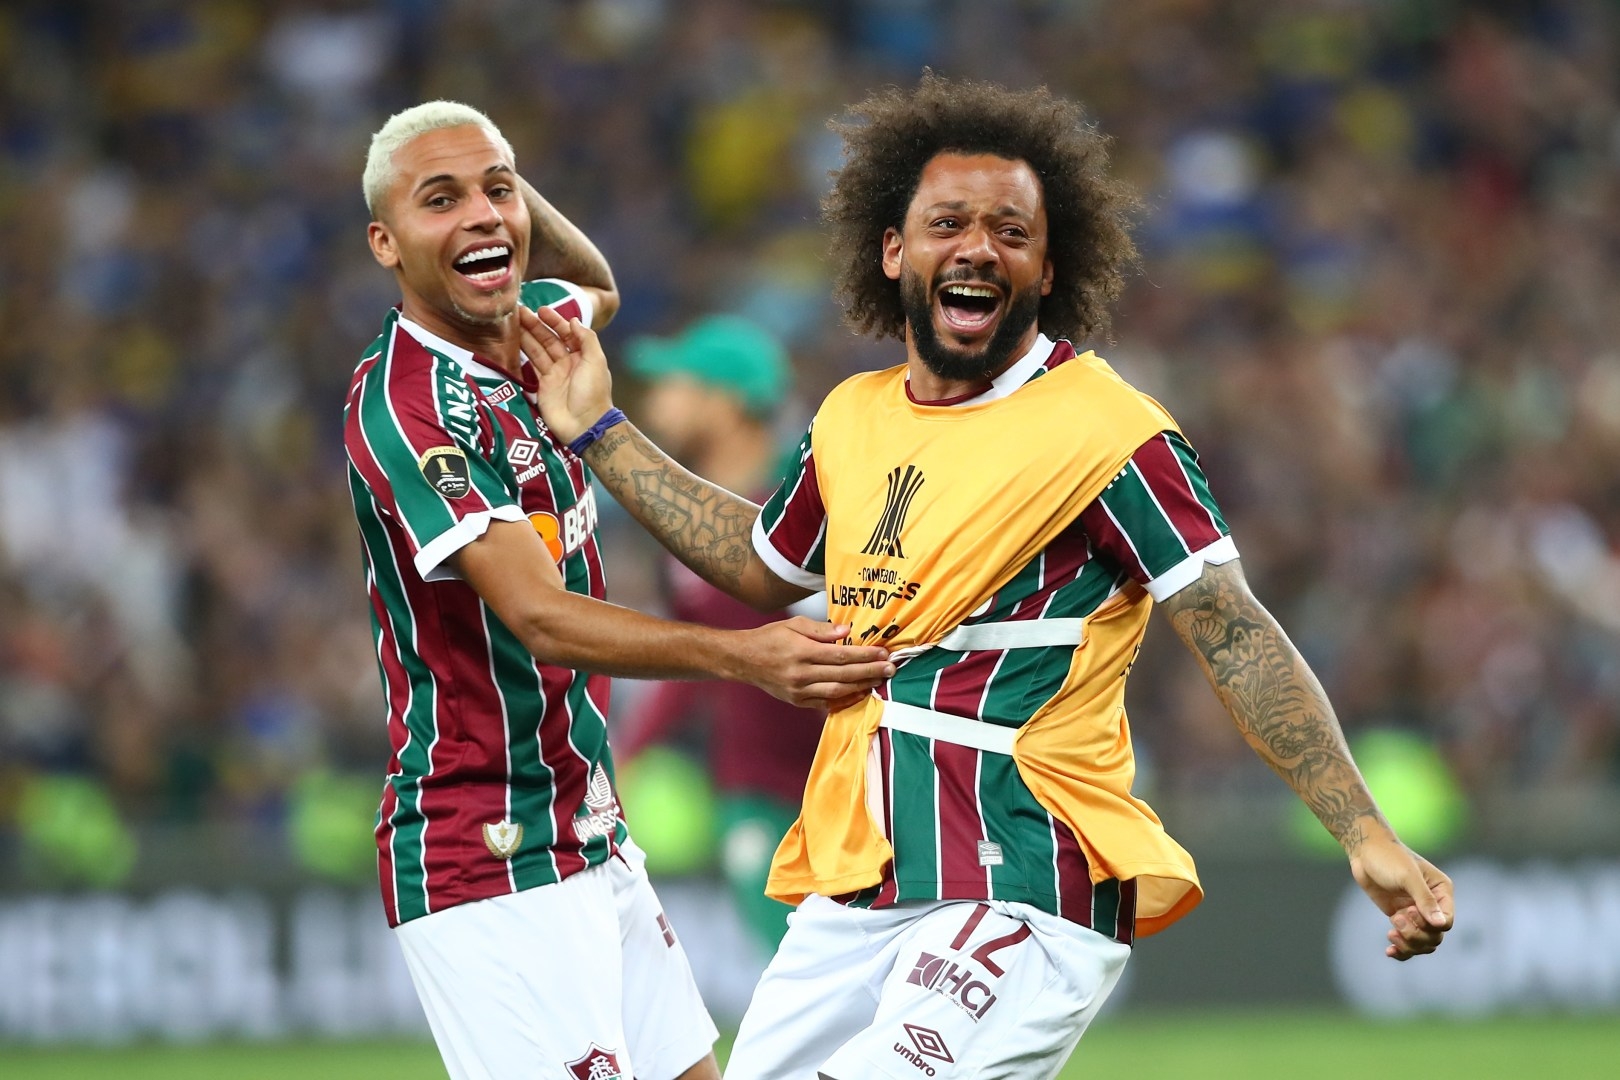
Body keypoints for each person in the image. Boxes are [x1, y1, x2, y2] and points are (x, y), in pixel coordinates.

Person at [519, 74, 1455, 1080]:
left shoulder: (1109, 433)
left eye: (1011, 231)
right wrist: (601, 434)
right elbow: (761, 566)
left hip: (1024, 881)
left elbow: (1228, 626)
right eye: (949, 223)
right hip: (860, 884)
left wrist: (1363, 830)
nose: (978, 247)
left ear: (1049, 268)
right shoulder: (852, 418)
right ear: (895, 251)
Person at [342, 100, 894, 1080]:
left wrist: (493, 198)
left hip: (588, 828)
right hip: (487, 846)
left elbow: (594, 282)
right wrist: (743, 656)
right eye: (439, 201)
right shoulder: (410, 408)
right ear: (383, 242)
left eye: (498, 191)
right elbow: (537, 616)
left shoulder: (528, 335)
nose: (482, 214)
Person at [615, 315, 826, 952]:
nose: (655, 399)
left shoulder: (818, 502)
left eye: (674, 381)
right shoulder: (682, 529)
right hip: (757, 786)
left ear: (726, 400)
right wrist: (630, 752)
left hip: (859, 779)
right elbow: (695, 653)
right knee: (794, 968)